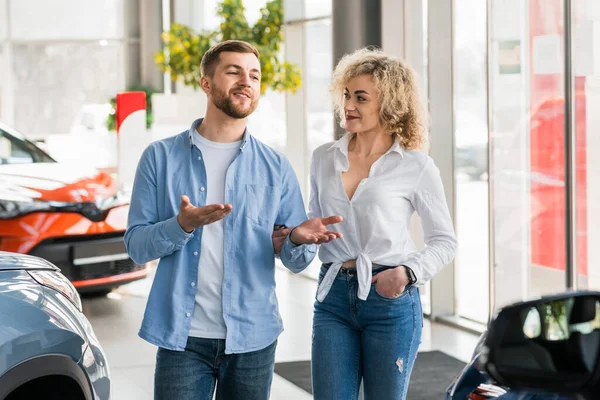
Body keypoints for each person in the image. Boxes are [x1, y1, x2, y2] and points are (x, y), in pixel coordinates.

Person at [124, 40, 342, 400]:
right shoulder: (159, 157)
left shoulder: (275, 166)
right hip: (183, 340)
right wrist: (183, 225)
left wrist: (298, 240)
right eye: (234, 72)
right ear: (206, 83)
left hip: (252, 339)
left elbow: (293, 255)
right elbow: (136, 247)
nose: (246, 82)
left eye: (254, 75)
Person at [307, 48, 458, 399]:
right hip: (332, 297)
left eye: (361, 97)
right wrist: (298, 235)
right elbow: (314, 224)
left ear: (389, 104)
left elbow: (444, 241)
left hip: (390, 299)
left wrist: (406, 273)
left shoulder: (416, 166)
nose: (348, 105)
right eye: (346, 94)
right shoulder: (323, 158)